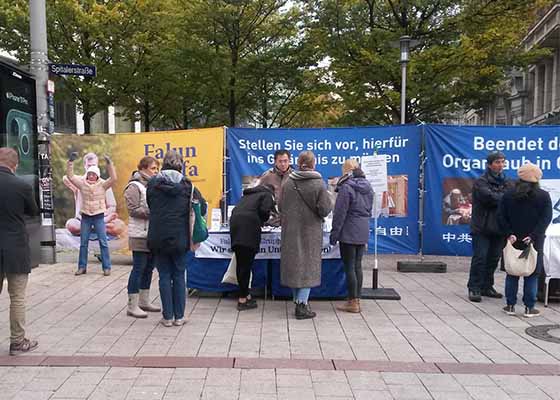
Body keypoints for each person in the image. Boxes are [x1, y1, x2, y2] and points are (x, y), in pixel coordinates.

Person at [147, 150, 207, 327]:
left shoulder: (152, 184)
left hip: (158, 236)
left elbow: (150, 205)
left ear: (164, 164)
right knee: (179, 275)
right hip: (181, 237)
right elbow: (202, 207)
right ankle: (179, 317)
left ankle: (167, 317)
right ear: (181, 165)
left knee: (164, 275)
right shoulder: (188, 186)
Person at [279, 151, 333, 319]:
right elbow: (324, 209)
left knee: (294, 266)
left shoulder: (288, 182)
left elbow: (280, 207)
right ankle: (302, 306)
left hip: (290, 231)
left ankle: (297, 301)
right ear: (313, 164)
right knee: (307, 267)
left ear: (298, 162)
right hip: (310, 231)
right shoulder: (318, 183)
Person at [499, 162, 552, 318]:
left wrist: (509, 233)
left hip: (512, 240)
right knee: (532, 274)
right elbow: (546, 218)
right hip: (534, 241)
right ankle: (529, 307)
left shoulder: (508, 194)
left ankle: (510, 306)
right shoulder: (543, 196)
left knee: (512, 272)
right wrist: (534, 235)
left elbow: (501, 216)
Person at [0, 148, 39, 355]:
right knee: (17, 297)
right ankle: (17, 342)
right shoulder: (22, 185)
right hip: (15, 247)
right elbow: (33, 211)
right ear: (15, 165)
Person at [330, 159, 373, 313]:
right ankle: (357, 299)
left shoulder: (346, 187)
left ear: (346, 171)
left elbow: (340, 213)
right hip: (363, 228)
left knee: (349, 266)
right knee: (358, 266)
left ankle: (352, 302)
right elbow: (369, 209)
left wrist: (334, 234)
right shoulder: (368, 187)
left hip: (349, 229)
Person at [467, 151, 512, 302]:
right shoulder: (481, 182)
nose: (501, 165)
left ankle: (487, 286)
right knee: (480, 258)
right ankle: (474, 287)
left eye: (503, 162)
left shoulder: (507, 181)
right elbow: (490, 198)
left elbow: (510, 198)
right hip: (482, 227)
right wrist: (504, 197)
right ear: (489, 164)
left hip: (499, 227)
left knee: (494, 258)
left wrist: (503, 198)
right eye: (497, 162)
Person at [67, 154, 116, 276]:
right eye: (89, 174)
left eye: (93, 174)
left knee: (103, 242)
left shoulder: (103, 184)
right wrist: (70, 162)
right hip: (86, 216)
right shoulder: (82, 184)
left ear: (97, 175)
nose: (91, 176)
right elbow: (70, 177)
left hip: (99, 216)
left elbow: (113, 178)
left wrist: (109, 164)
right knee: (83, 243)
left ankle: (107, 267)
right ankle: (82, 267)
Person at [124, 156, 161, 318]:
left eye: (157, 168)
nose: (156, 171)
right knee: (139, 268)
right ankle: (132, 305)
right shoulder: (134, 186)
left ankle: (144, 301)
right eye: (153, 168)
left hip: (152, 233)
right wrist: (155, 212)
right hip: (139, 234)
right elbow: (132, 210)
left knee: (149, 268)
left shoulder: (153, 185)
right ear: (143, 168)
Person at [229, 184, 276, 310]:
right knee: (246, 265)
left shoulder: (247, 195)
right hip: (249, 228)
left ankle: (246, 295)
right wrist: (265, 219)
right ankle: (242, 299)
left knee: (241, 263)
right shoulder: (266, 194)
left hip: (236, 226)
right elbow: (264, 211)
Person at [63, 152, 125, 237]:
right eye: (89, 166)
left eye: (94, 165)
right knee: (71, 225)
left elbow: (112, 206)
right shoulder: (79, 183)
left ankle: (93, 227)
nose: (91, 168)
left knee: (120, 225)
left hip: (101, 218)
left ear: (97, 166)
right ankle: (96, 228)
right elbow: (66, 178)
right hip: (82, 219)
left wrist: (102, 217)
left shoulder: (104, 184)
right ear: (85, 166)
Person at [257, 149, 293, 226]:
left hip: (291, 221)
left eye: (285, 161)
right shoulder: (266, 176)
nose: (283, 164)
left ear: (289, 161)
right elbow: (256, 196)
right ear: (275, 162)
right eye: (280, 161)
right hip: (272, 221)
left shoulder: (295, 176)